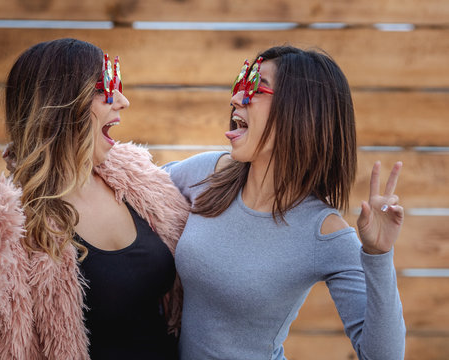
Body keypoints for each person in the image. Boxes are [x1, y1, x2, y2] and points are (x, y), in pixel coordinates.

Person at [0, 38, 189, 360]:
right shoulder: (14, 218)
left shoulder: (142, 183)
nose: (122, 101)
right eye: (105, 89)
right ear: (63, 103)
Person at [164, 46, 406, 359]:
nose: (236, 98)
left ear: (301, 111)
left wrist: (379, 255)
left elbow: (383, 356)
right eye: (241, 84)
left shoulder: (324, 231)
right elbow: (130, 188)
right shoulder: (208, 172)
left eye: (256, 87)